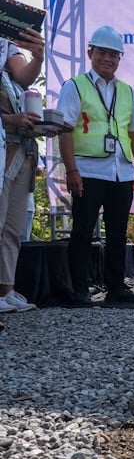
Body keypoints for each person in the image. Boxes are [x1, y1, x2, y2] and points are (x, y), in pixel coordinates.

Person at [57, 25, 134, 304]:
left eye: (113, 54)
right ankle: (80, 289)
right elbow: (64, 129)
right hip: (87, 170)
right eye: (102, 52)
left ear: (119, 59)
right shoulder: (75, 86)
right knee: (83, 231)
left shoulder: (128, 91)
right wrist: (71, 170)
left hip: (120, 171)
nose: (107, 58)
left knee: (118, 231)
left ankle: (116, 286)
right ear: (90, 53)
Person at [0, 28, 47, 317]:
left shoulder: (6, 52)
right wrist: (10, 118)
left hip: (21, 152)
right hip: (4, 152)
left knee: (13, 227)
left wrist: (38, 57)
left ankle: (6, 288)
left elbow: (24, 75)